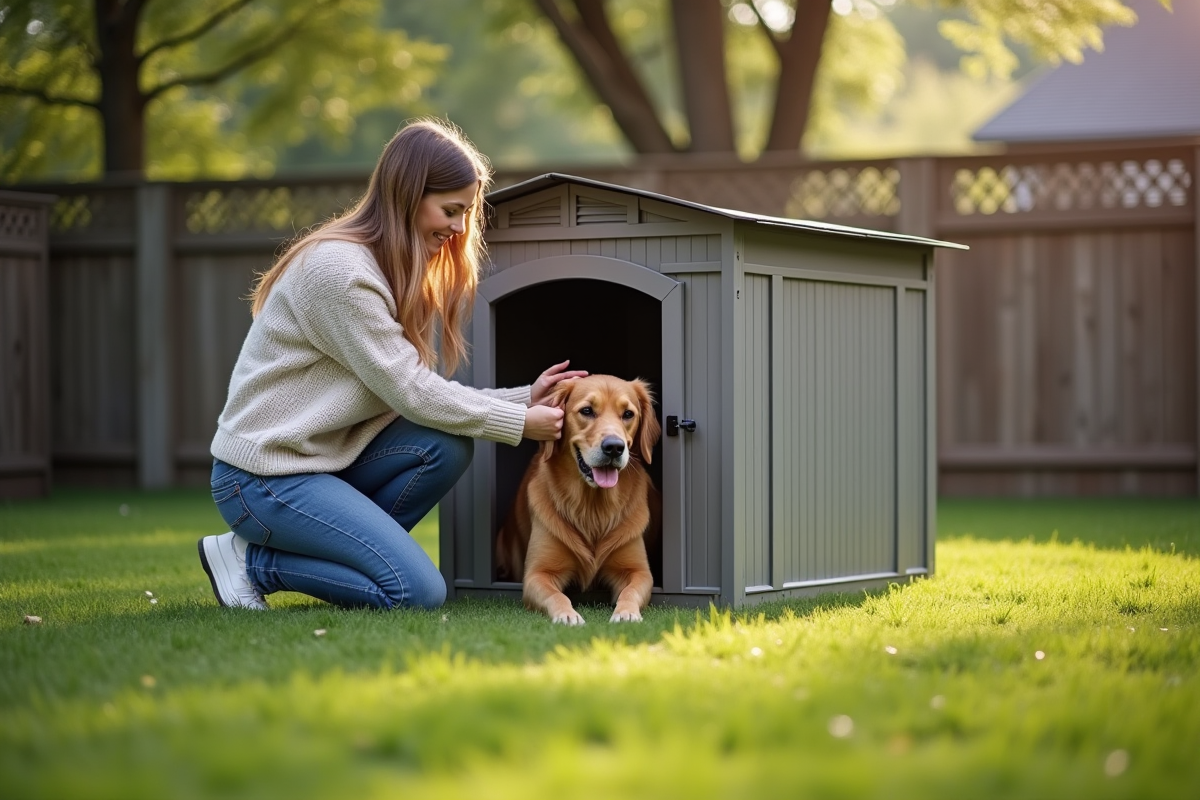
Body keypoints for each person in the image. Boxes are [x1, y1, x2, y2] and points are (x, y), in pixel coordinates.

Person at [198, 118, 583, 611]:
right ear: (408, 196)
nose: (460, 228)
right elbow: (411, 391)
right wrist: (518, 421)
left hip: (322, 463)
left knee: (445, 445)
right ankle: (254, 562)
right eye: (450, 210)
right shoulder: (340, 273)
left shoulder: (389, 268)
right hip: (264, 477)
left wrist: (522, 398)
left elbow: (414, 390)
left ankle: (354, 557)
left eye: (466, 213)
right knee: (417, 592)